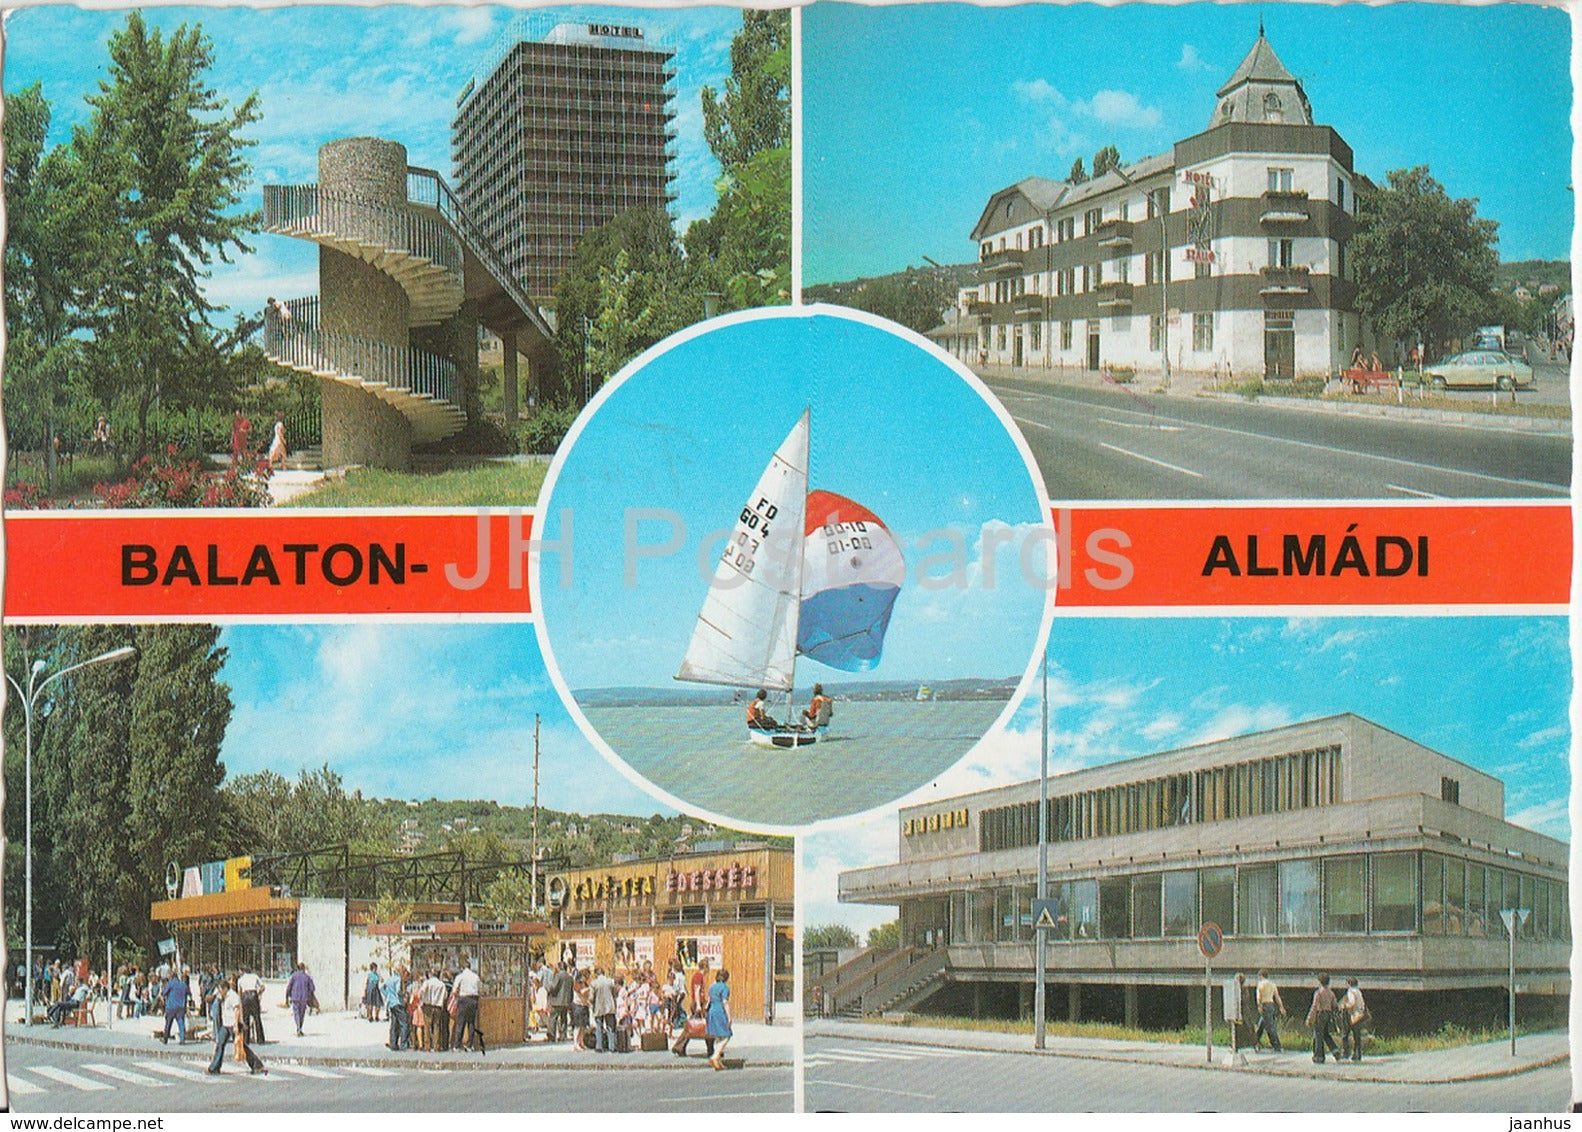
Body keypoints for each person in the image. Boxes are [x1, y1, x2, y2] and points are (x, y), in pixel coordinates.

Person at [209, 979, 266, 1075]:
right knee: (220, 1044)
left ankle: (256, 1064)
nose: (219, 992)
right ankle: (214, 1067)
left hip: (233, 1024)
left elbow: (237, 1010)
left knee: (241, 1046)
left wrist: (237, 1024)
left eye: (220, 990)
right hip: (226, 1024)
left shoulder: (233, 996)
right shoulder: (223, 996)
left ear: (225, 988)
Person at [673, 957, 714, 1059]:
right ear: (705, 967)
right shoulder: (698, 976)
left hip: (699, 1002)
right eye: (708, 967)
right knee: (704, 1025)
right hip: (698, 1003)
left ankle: (679, 1046)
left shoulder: (699, 976)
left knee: (693, 1026)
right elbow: (697, 990)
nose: (708, 970)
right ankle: (711, 1050)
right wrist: (699, 1005)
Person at [1305, 973, 1341, 1064]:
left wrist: (1309, 1018)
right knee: (1325, 1034)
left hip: (1320, 1013)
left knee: (1318, 1035)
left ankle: (1319, 1056)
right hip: (1328, 1014)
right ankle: (1335, 1051)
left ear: (1320, 982)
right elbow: (1335, 1005)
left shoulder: (1318, 992)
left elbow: (1314, 1006)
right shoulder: (1331, 993)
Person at [452, 957, 484, 1054]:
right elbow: (480, 988)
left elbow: (454, 990)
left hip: (463, 999)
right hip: (473, 999)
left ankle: (457, 1045)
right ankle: (470, 1045)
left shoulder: (460, 976)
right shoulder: (475, 977)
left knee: (460, 1022)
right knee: (471, 1023)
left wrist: (457, 997)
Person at [1253, 969, 1285, 1052]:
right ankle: (1255, 1041)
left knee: (1269, 1026)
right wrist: (1281, 1007)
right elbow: (1277, 996)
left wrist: (1259, 1005)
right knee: (1262, 1024)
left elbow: (1259, 996)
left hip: (1264, 1004)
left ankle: (1277, 1045)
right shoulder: (1272, 984)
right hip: (1271, 1004)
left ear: (1261, 976)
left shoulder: (1260, 984)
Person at [706, 969, 733, 1071]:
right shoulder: (724, 988)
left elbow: (709, 1000)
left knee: (717, 1036)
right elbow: (725, 1002)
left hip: (711, 1011)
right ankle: (715, 1056)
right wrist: (729, 1017)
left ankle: (718, 1061)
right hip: (719, 1011)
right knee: (727, 1035)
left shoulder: (712, 987)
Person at [1340, 977, 1368, 1062]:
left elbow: (1352, 1002)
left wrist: (1344, 1006)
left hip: (1352, 1015)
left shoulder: (1351, 991)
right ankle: (1357, 1054)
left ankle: (1346, 1053)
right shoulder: (1358, 991)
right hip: (1359, 1015)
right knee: (1357, 1036)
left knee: (1345, 1034)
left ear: (1349, 984)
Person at [421, 969, 449, 1052]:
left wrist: (423, 999)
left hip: (428, 1005)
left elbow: (421, 992)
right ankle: (436, 1046)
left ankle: (427, 1046)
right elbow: (445, 996)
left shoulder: (427, 982)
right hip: (438, 1006)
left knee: (427, 1026)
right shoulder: (441, 984)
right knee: (437, 1026)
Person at [159, 966, 189, 1043]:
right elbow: (188, 993)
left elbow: (164, 993)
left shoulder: (171, 984)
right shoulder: (183, 984)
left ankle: (165, 1038)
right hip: (181, 1006)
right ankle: (182, 1038)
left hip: (171, 1006)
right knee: (181, 1023)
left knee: (168, 1023)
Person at [383, 965, 410, 1051]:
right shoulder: (398, 979)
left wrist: (388, 996)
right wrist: (404, 995)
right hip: (398, 1002)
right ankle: (403, 1044)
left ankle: (393, 1043)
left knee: (394, 1024)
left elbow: (382, 988)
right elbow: (398, 990)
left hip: (391, 1003)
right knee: (404, 1023)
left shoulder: (389, 979)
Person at [591, 966, 618, 1053]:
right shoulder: (610, 981)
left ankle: (599, 1046)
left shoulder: (594, 983)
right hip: (609, 1006)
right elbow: (615, 993)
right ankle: (612, 1046)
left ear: (596, 974)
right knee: (610, 1027)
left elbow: (591, 997)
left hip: (598, 1006)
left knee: (599, 1026)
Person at [237, 967, 266, 1045]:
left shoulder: (241, 979)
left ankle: (246, 1039)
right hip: (253, 995)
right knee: (257, 1018)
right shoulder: (255, 976)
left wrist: (240, 1003)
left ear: (243, 971)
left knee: (246, 1018)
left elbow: (239, 992)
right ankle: (260, 1039)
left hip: (245, 996)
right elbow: (263, 987)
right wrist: (258, 993)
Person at [285, 962, 315, 1038]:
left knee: (296, 1013)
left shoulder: (294, 976)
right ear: (303, 968)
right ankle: (300, 1028)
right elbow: (312, 988)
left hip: (295, 998)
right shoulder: (307, 977)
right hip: (304, 998)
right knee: (302, 1014)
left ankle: (298, 1028)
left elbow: (289, 987)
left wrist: (287, 997)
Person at [547, 961, 572, 1042]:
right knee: (563, 1019)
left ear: (559, 967)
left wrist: (548, 988)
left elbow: (553, 987)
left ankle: (551, 1036)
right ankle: (563, 1035)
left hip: (556, 1001)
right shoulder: (570, 977)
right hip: (566, 1001)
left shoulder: (558, 976)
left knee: (553, 1018)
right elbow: (571, 991)